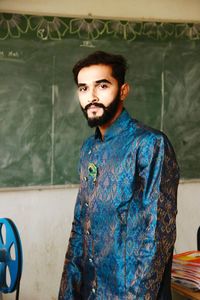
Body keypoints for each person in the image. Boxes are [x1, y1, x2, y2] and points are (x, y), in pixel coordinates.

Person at [58, 51, 179, 300]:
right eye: (83, 88)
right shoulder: (88, 149)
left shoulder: (149, 145)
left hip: (130, 293)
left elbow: (156, 238)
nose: (91, 97)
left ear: (123, 91)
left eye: (102, 86)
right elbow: (80, 227)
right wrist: (67, 292)